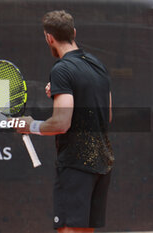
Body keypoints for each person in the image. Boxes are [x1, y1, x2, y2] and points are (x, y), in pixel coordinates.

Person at [14, 10, 114, 233]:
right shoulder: (98, 65)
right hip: (101, 164)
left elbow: (61, 124)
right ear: (74, 33)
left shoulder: (62, 69)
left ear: (49, 38)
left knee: (69, 230)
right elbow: (105, 115)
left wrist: (30, 125)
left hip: (76, 164)